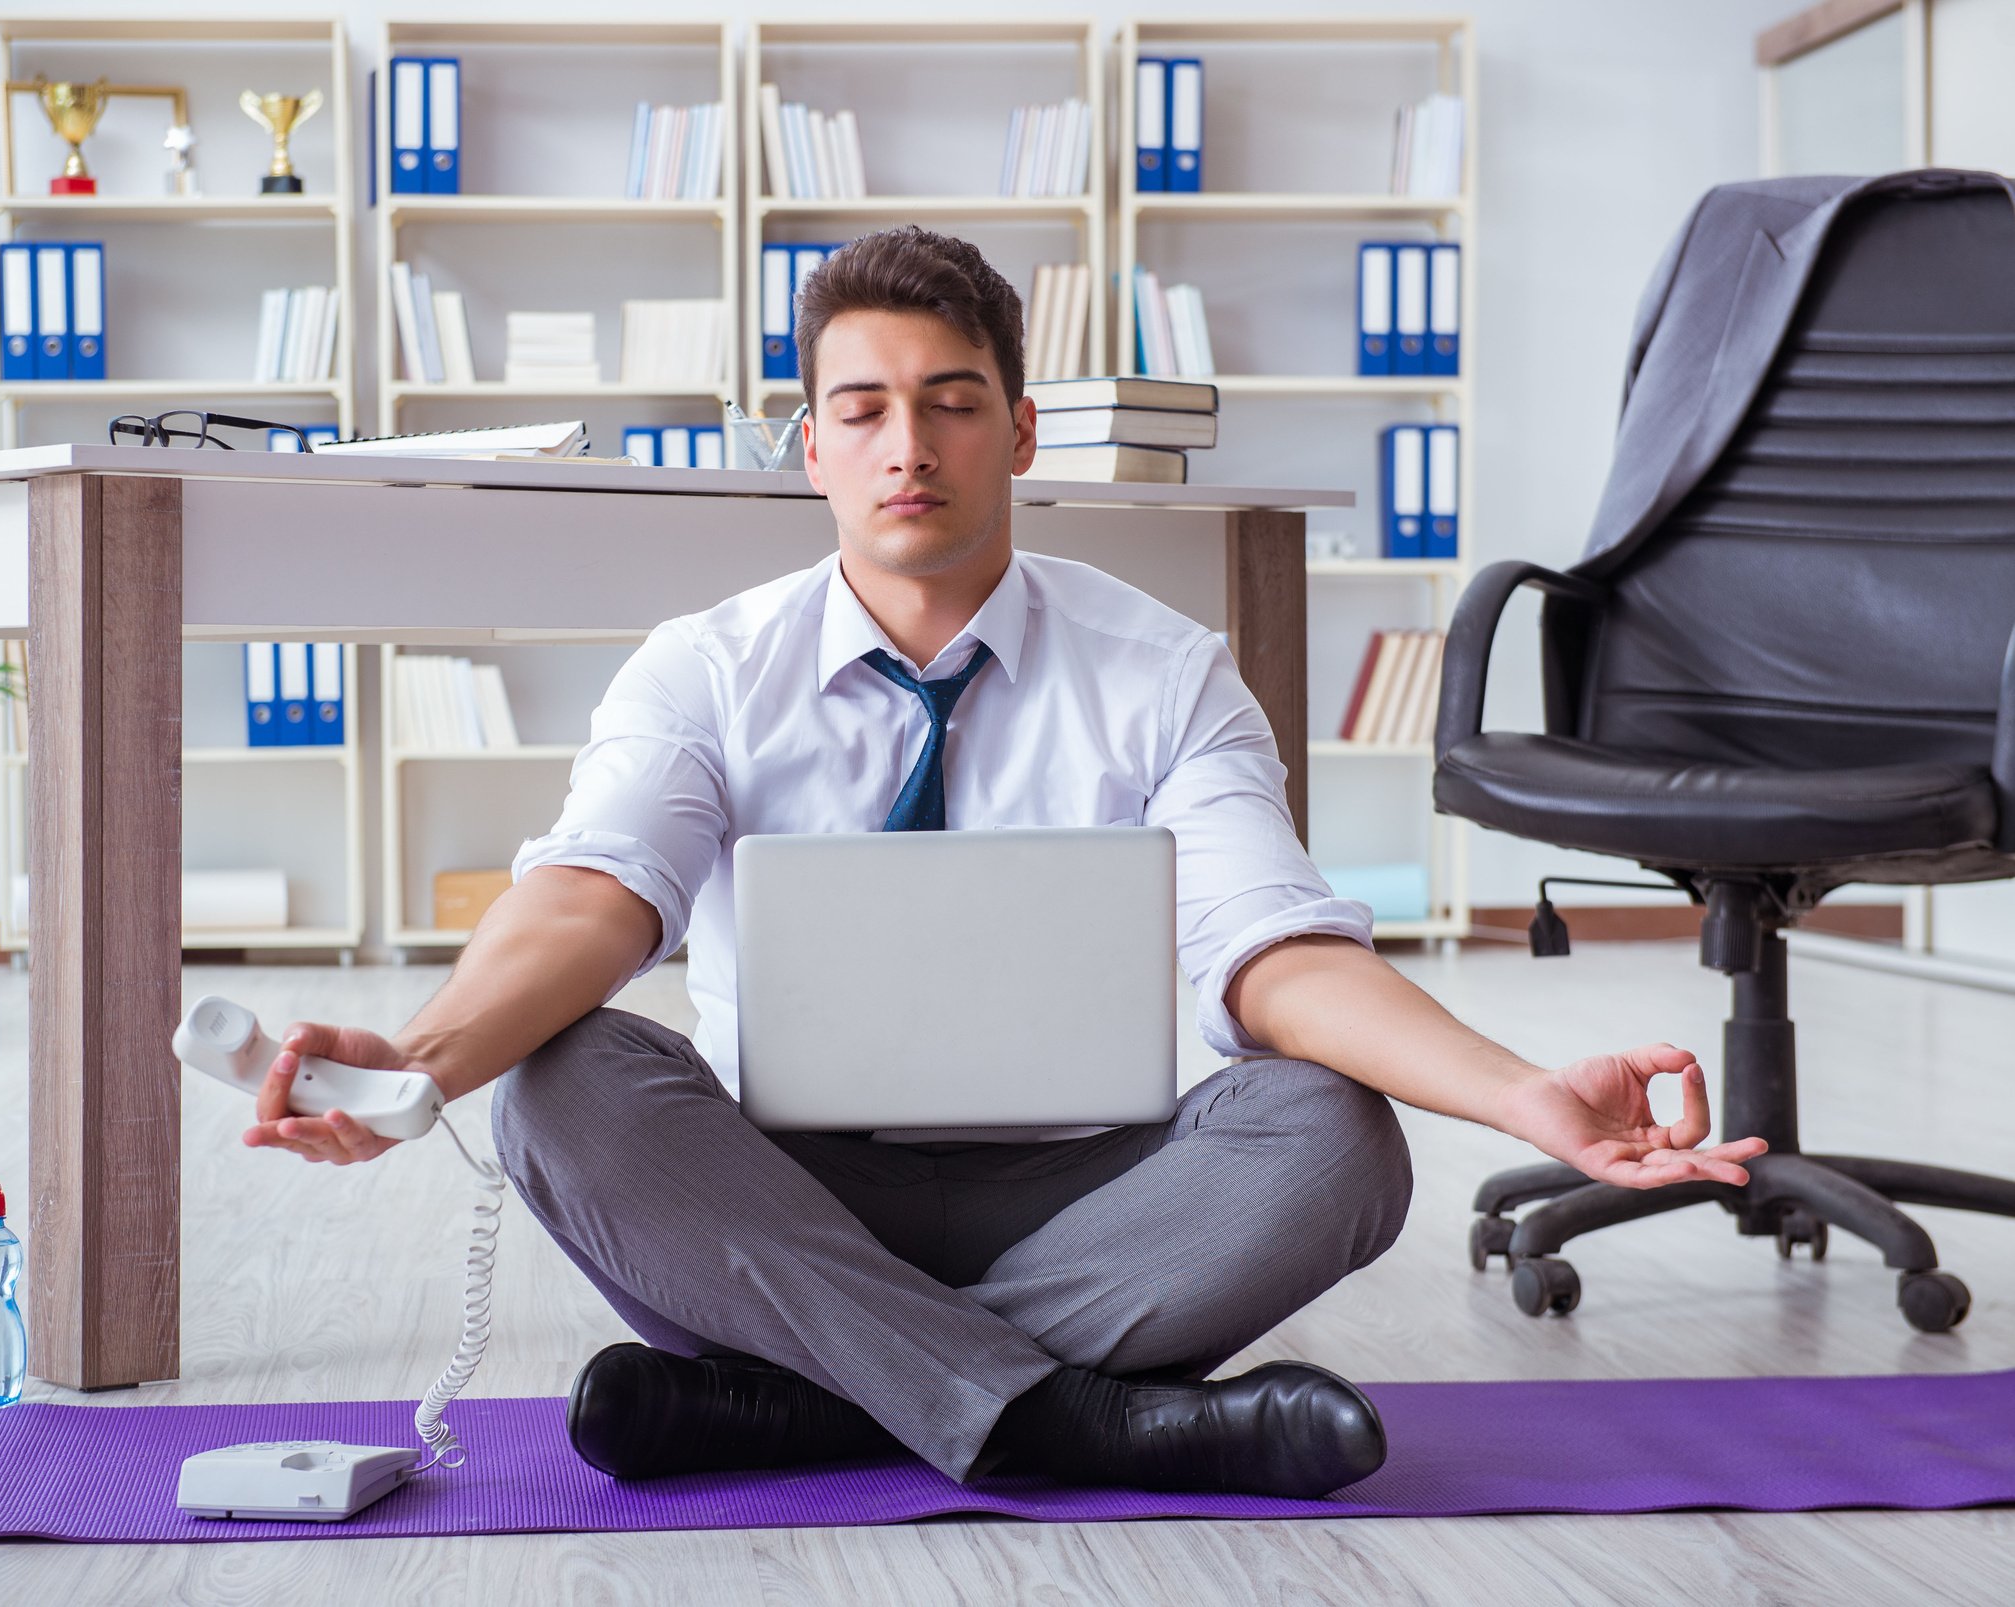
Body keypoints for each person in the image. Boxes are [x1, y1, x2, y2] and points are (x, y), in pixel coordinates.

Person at [243, 227, 1765, 1498]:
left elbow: (1278, 954)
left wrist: (1517, 1092)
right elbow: (593, 897)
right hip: (781, 1199)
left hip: (1092, 1197)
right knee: (566, 1084)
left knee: (1335, 1134)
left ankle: (827, 1404)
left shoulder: (1164, 671)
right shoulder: (701, 669)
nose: (909, 446)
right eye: (863, 408)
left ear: (1022, 430)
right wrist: (423, 1059)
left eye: (954, 401)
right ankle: (1078, 1420)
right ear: (810, 441)